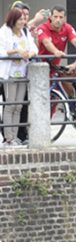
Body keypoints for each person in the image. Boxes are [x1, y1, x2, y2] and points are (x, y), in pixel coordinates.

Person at [0, 9, 34, 147]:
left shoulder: (25, 32)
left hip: (22, 72)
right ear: (13, 20)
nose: (22, 22)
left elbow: (34, 48)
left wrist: (29, 53)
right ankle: (8, 138)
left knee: (19, 105)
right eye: (19, 19)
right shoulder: (4, 32)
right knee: (10, 105)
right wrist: (16, 51)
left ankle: (14, 136)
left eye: (23, 19)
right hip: (9, 73)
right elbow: (1, 51)